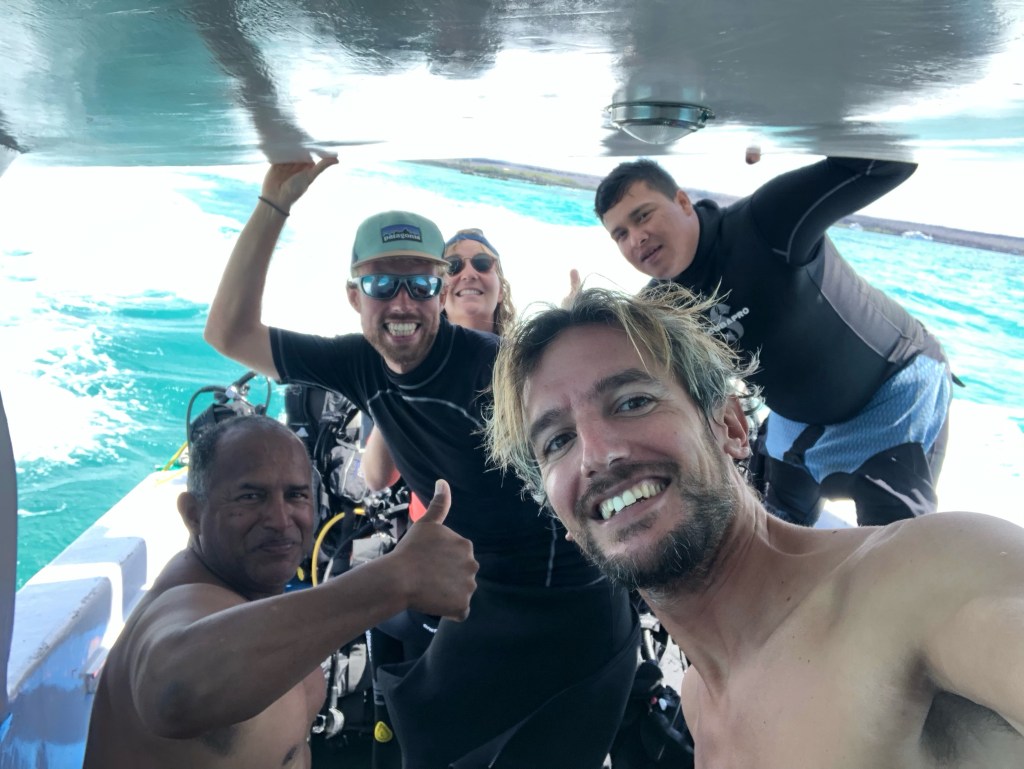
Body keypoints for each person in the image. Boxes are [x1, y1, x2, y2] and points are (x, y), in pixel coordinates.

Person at [204, 158, 638, 769]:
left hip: (570, 599)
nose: (402, 302)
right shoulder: (357, 365)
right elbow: (228, 332)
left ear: (440, 293)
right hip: (479, 590)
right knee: (431, 741)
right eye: (382, 285)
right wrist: (274, 204)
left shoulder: (492, 366)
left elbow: (584, 420)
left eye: (421, 285)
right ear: (354, 296)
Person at [486, 285, 1024, 769]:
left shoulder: (918, 579)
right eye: (558, 441)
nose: (596, 456)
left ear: (731, 426)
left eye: (633, 402)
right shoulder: (699, 703)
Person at [83, 415, 477, 769]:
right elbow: (174, 692)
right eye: (250, 496)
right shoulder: (182, 602)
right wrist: (393, 580)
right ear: (192, 514)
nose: (280, 519)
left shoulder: (256, 593)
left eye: (296, 495)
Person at [594, 157, 953, 527]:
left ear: (683, 202)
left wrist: (795, 124)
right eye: (620, 234)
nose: (636, 238)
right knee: (767, 532)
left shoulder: (765, 222)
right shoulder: (660, 307)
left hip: (893, 394)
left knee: (898, 549)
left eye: (643, 216)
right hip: (797, 421)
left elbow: (889, 165)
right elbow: (611, 373)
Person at [361, 226, 516, 503]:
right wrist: (402, 372)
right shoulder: (402, 369)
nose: (469, 274)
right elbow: (376, 477)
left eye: (482, 263)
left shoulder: (524, 361)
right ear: (439, 294)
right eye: (453, 266)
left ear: (501, 290)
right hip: (434, 524)